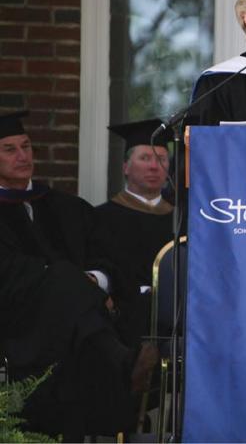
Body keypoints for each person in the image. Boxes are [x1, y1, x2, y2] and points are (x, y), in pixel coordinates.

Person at [0, 111, 153, 440]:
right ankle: (125, 363)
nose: (23, 156)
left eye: (26, 146)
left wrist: (95, 280)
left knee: (88, 287)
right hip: (22, 326)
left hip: (77, 331)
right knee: (63, 277)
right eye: (9, 149)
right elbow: (10, 275)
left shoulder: (69, 207)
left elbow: (110, 260)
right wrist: (66, 281)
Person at [95, 118, 174, 347]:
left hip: (173, 323)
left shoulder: (182, 219)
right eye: (145, 158)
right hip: (121, 325)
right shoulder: (101, 218)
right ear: (125, 167)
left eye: (161, 159)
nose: (154, 166)